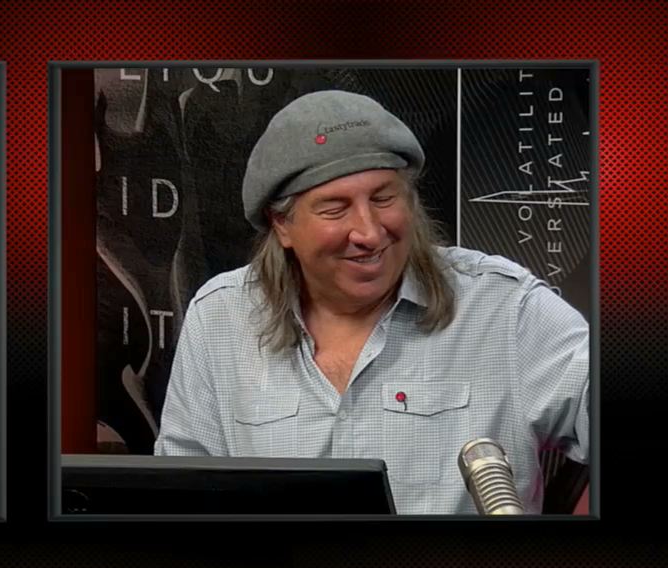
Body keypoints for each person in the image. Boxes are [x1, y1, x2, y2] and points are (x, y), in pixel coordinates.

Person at [154, 90, 590, 514]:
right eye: (335, 209)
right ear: (282, 224)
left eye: (384, 198)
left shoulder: (504, 309)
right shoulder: (221, 318)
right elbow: (181, 499)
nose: (368, 232)